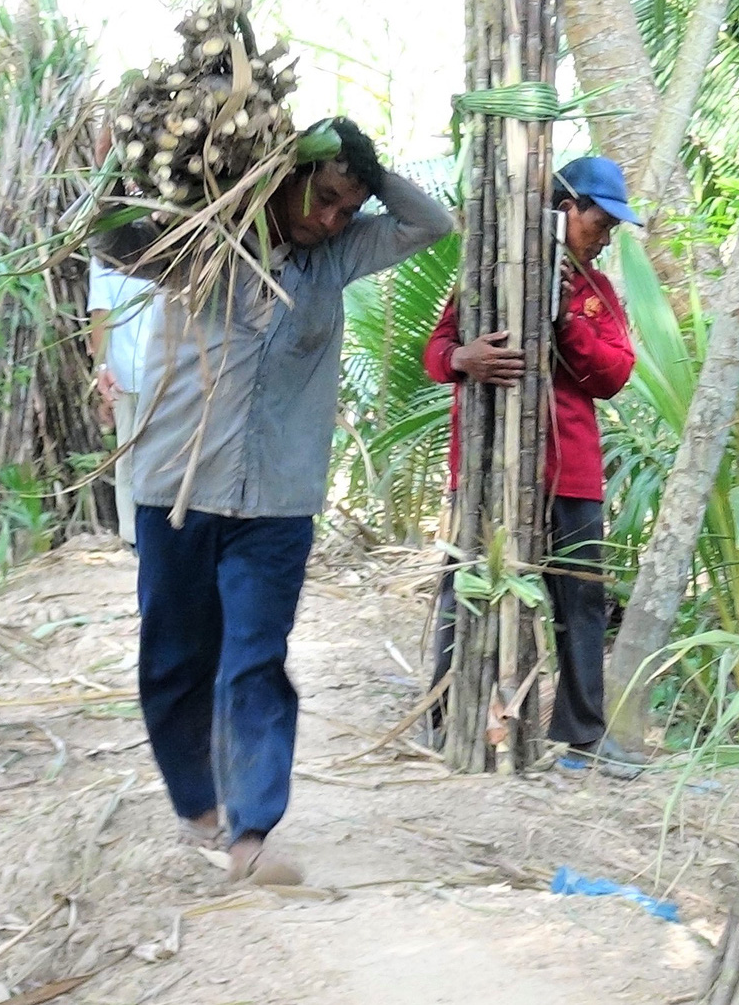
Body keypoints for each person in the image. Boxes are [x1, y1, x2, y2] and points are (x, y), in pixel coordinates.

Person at [91, 117, 453, 887]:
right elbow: (110, 240)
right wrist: (125, 180)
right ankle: (197, 801)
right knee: (177, 657)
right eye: (322, 199)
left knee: (256, 659)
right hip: (177, 490)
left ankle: (250, 830)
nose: (332, 221)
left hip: (279, 503)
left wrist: (358, 167)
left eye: (346, 210)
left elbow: (432, 222)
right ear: (284, 179)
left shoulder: (341, 256)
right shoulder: (200, 238)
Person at [423, 155, 639, 773]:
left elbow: (616, 373)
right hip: (489, 468)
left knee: (581, 601)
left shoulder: (594, 292)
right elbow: (436, 352)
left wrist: (564, 320)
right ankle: (446, 718)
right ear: (566, 209)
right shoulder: (488, 276)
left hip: (570, 470)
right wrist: (464, 360)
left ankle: (580, 739)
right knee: (464, 589)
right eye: (600, 222)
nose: (606, 235)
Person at [87, 256, 157, 549]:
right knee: (131, 454)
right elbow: (100, 312)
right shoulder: (103, 254)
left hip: (163, 370)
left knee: (140, 454)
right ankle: (135, 535)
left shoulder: (171, 237)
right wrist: (102, 367)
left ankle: (147, 532)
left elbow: (99, 313)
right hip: (131, 374)